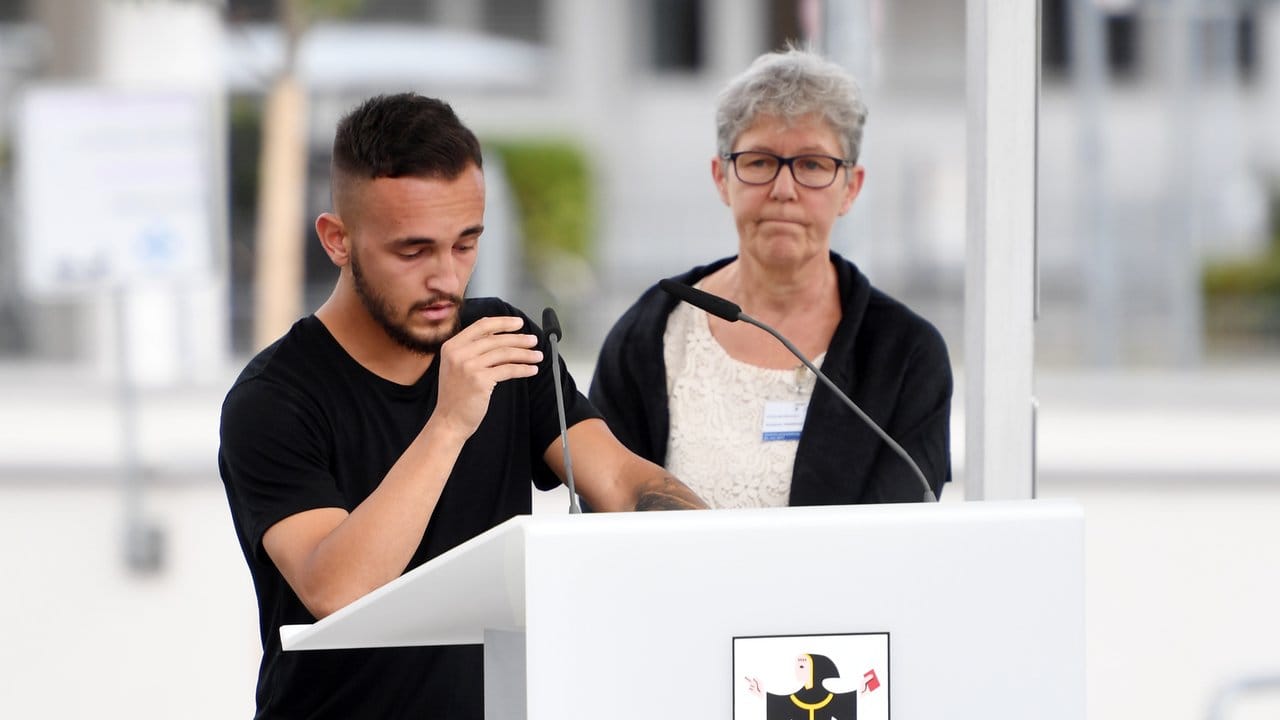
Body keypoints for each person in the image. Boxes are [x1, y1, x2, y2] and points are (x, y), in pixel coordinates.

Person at [218, 92, 706, 719]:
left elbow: (616, 477)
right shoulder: (274, 399)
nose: (447, 279)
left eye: (466, 243)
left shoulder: (501, 336)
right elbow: (338, 589)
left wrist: (723, 551)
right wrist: (450, 421)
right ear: (337, 240)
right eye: (413, 251)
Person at [590, 48, 951, 507]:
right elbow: (606, 516)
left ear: (851, 188)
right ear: (722, 178)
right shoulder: (652, 335)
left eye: (812, 165)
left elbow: (903, 533)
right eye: (759, 162)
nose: (784, 191)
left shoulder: (906, 354)